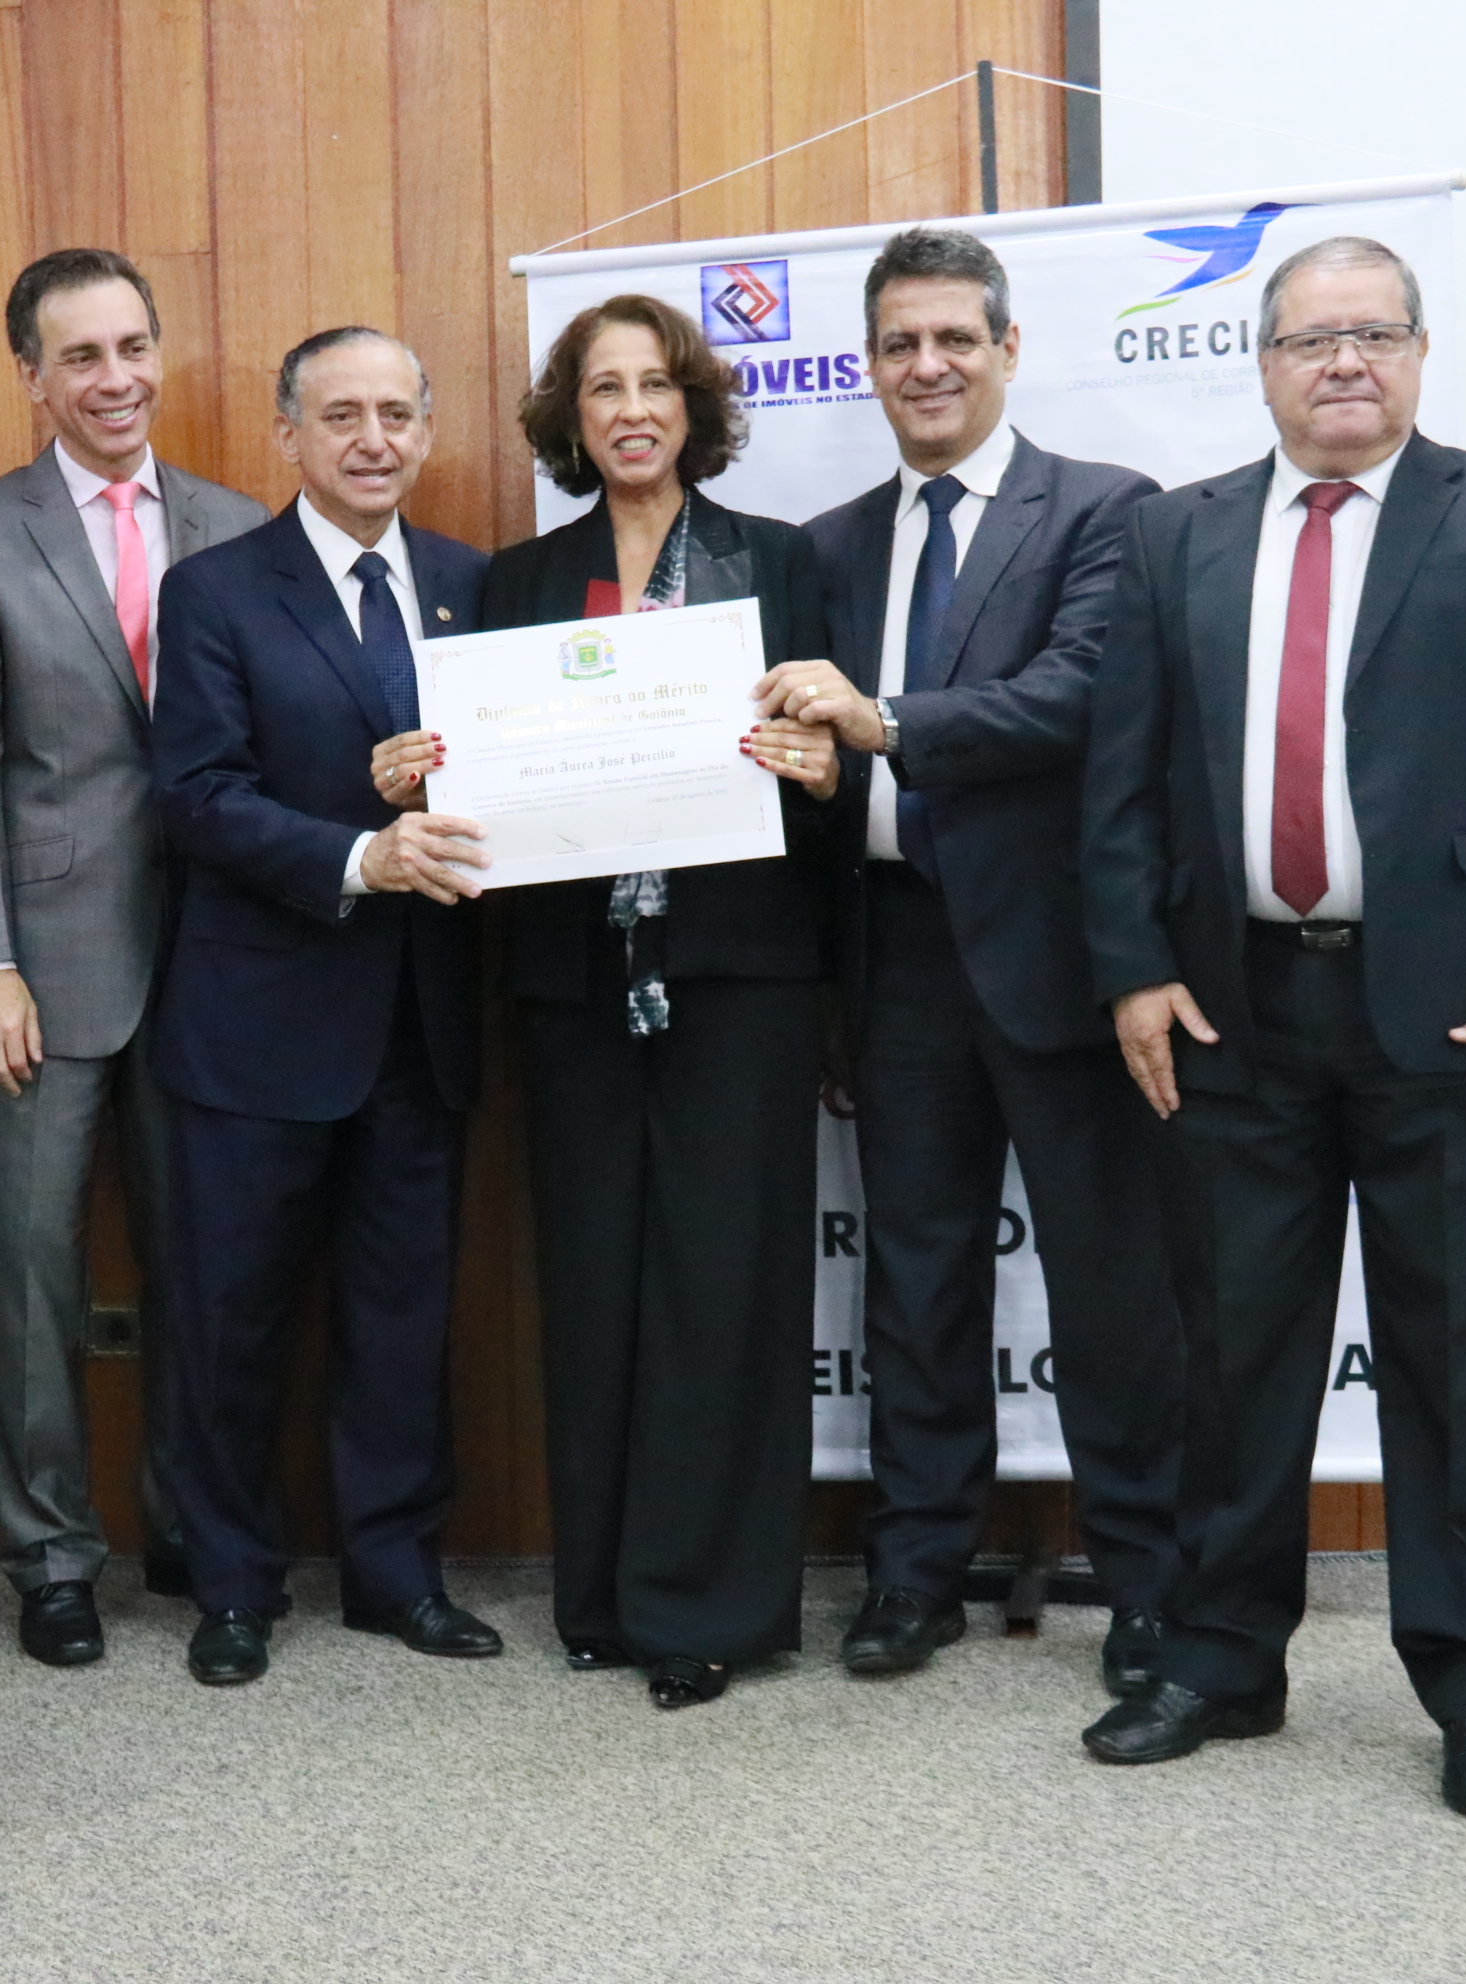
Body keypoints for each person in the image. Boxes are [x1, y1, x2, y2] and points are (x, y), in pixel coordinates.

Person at [1079, 236, 1466, 1819]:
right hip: (1232, 1007)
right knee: (1238, 1356)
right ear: (1260, 366)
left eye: (1374, 334)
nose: (1343, 363)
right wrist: (1131, 965)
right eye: (1312, 339)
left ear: (1419, 354)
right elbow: (1121, 777)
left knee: (1453, 1365)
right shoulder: (1175, 535)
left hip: (1458, 1014)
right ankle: (1221, 1659)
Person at [757, 228, 1182, 1691]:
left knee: (1109, 1286)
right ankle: (914, 1573)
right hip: (894, 956)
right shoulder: (826, 547)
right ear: (869, 367)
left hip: (1063, 959)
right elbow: (810, 770)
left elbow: (1076, 697)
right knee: (916, 1282)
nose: (926, 366)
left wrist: (880, 722)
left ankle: (1148, 1587)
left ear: (1007, 348)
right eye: (899, 344)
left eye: (953, 338)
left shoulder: (1107, 511)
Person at [421, 295, 845, 1710]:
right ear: (573, 417)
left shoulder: (778, 563)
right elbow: (490, 785)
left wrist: (822, 771)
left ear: (693, 405)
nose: (631, 410)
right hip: (574, 983)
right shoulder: (520, 582)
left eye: (656, 383)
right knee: (595, 1282)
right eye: (603, 388)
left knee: (725, 1285)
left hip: (740, 977)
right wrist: (428, 773)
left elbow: (830, 784)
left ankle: (708, 1607)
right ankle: (602, 1591)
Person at [0, 249, 266, 1668]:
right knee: (31, 1276)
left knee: (208, 1265)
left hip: (221, 958)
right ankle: (51, 1555)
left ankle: (195, 1526)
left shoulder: (238, 524)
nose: (114, 380)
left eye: (131, 348)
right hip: (42, 969)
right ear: (33, 378)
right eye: (81, 357)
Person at [148, 326, 494, 1688]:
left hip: (423, 1019)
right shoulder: (215, 590)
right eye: (341, 415)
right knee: (232, 1321)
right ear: (287, 435)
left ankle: (396, 1576)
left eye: (396, 414)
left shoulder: (473, 585)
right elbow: (197, 797)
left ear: (428, 432)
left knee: (404, 1317)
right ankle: (232, 1585)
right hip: (258, 1020)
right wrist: (362, 852)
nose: (373, 439)